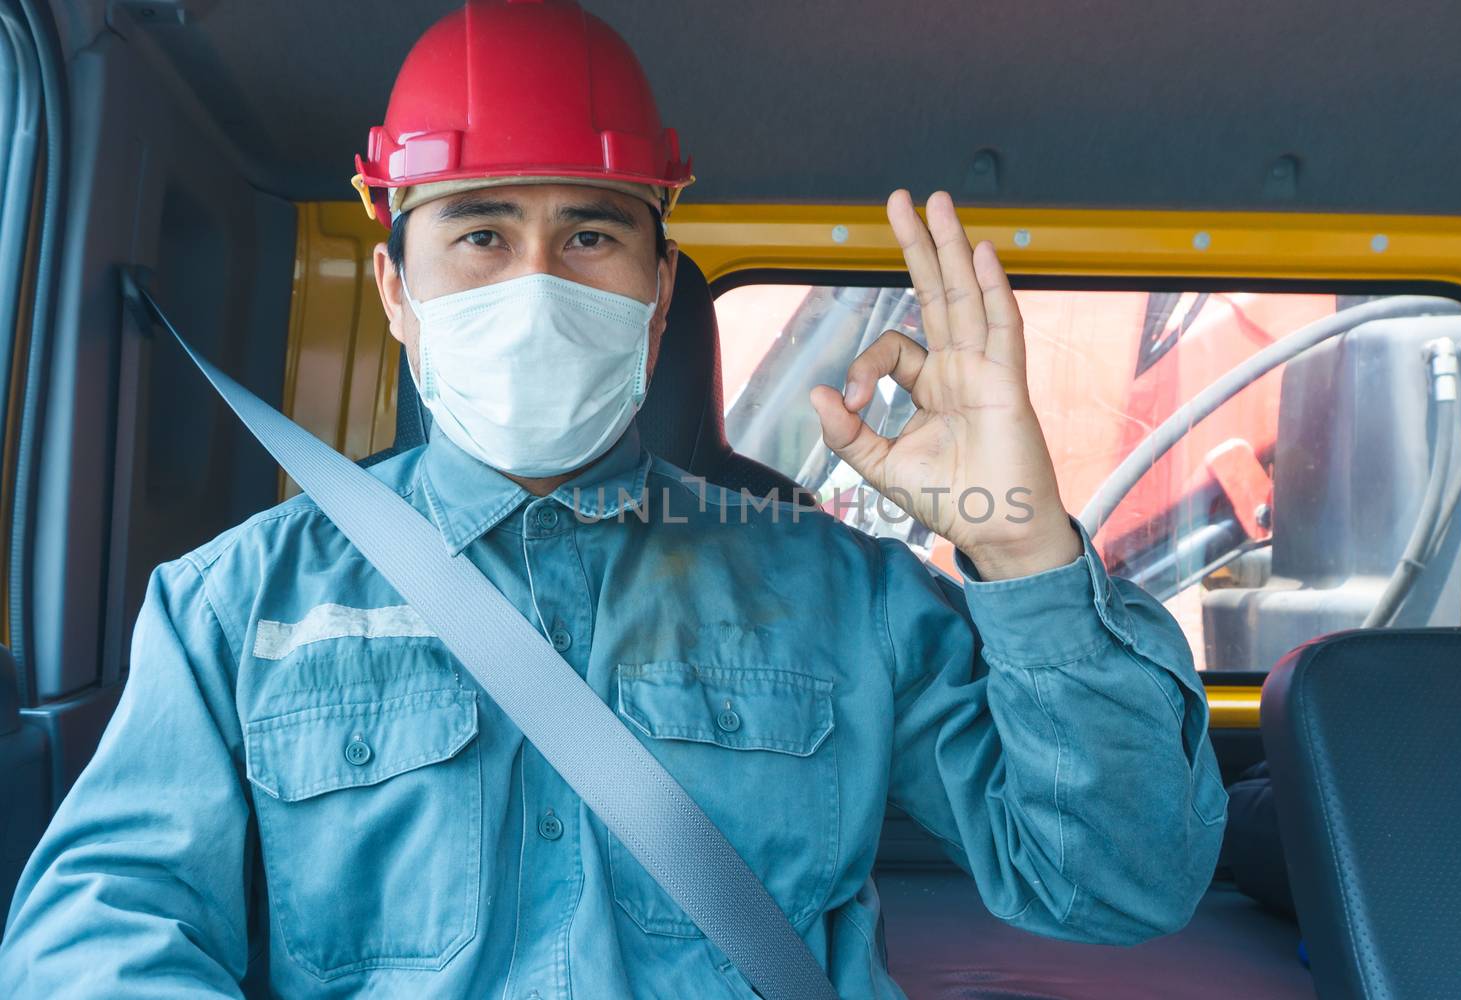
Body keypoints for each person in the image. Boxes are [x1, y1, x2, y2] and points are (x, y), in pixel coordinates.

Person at [0, 1, 1226, 996]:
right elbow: (95, 935)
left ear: (655, 292)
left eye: (589, 235)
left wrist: (1023, 553)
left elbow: (1115, 883)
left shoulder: (840, 593)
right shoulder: (232, 607)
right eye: (479, 235)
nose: (535, 282)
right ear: (393, 290)